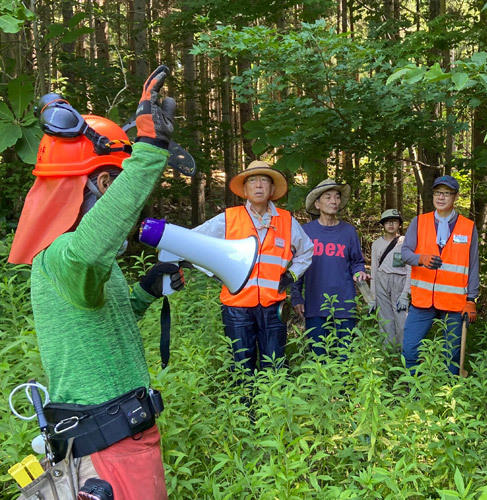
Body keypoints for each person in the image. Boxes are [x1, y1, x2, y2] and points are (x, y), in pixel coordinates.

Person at [8, 67, 181, 499]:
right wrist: (149, 152)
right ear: (104, 182)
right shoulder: (63, 257)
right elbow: (90, 247)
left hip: (123, 436)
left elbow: (103, 323)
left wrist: (144, 292)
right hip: (109, 446)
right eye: (116, 181)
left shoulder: (79, 264)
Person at [192, 161, 313, 370]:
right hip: (236, 306)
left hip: (273, 306)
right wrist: (215, 273)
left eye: (264, 180)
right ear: (245, 190)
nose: (259, 185)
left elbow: (307, 251)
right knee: (241, 365)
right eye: (253, 181)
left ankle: (272, 403)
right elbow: (193, 243)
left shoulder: (286, 220)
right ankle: (245, 401)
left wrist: (291, 276)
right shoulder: (229, 219)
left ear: (272, 189)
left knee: (274, 364)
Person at [401, 175, 479, 375]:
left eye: (446, 193)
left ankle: (448, 393)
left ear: (455, 197)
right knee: (410, 348)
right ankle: (413, 388)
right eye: (437, 193)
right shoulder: (419, 222)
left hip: (454, 302)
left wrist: (471, 299)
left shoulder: (468, 227)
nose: (441, 197)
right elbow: (405, 253)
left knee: (451, 354)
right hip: (422, 301)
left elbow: (473, 264)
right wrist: (421, 259)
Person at [291, 179, 369, 356]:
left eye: (337, 197)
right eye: (328, 197)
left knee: (345, 357)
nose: (334, 201)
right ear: (317, 203)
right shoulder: (306, 232)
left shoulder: (349, 232)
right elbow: (297, 266)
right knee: (319, 357)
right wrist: (296, 296)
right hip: (315, 304)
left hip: (344, 305)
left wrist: (360, 272)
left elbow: (357, 261)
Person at [370, 209, 411, 347]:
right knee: (384, 318)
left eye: (394, 221)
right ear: (383, 225)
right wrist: (372, 297)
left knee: (401, 318)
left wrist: (406, 293)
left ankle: (404, 352)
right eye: (387, 222)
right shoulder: (376, 244)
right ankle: (388, 353)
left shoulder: (406, 242)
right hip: (381, 280)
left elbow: (410, 268)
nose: (391, 224)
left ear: (399, 224)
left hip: (399, 281)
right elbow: (374, 270)